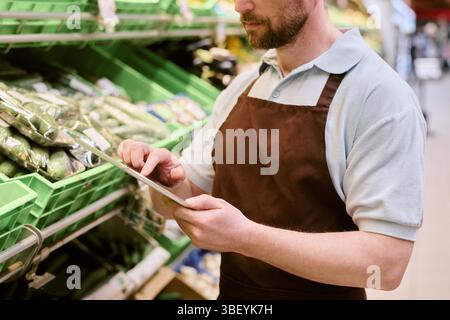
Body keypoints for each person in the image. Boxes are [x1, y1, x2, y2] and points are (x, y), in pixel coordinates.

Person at [119, 0, 426, 299]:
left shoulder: (379, 97)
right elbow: (180, 200)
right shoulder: (243, 87)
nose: (240, 6)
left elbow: (386, 265)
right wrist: (165, 182)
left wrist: (246, 238)